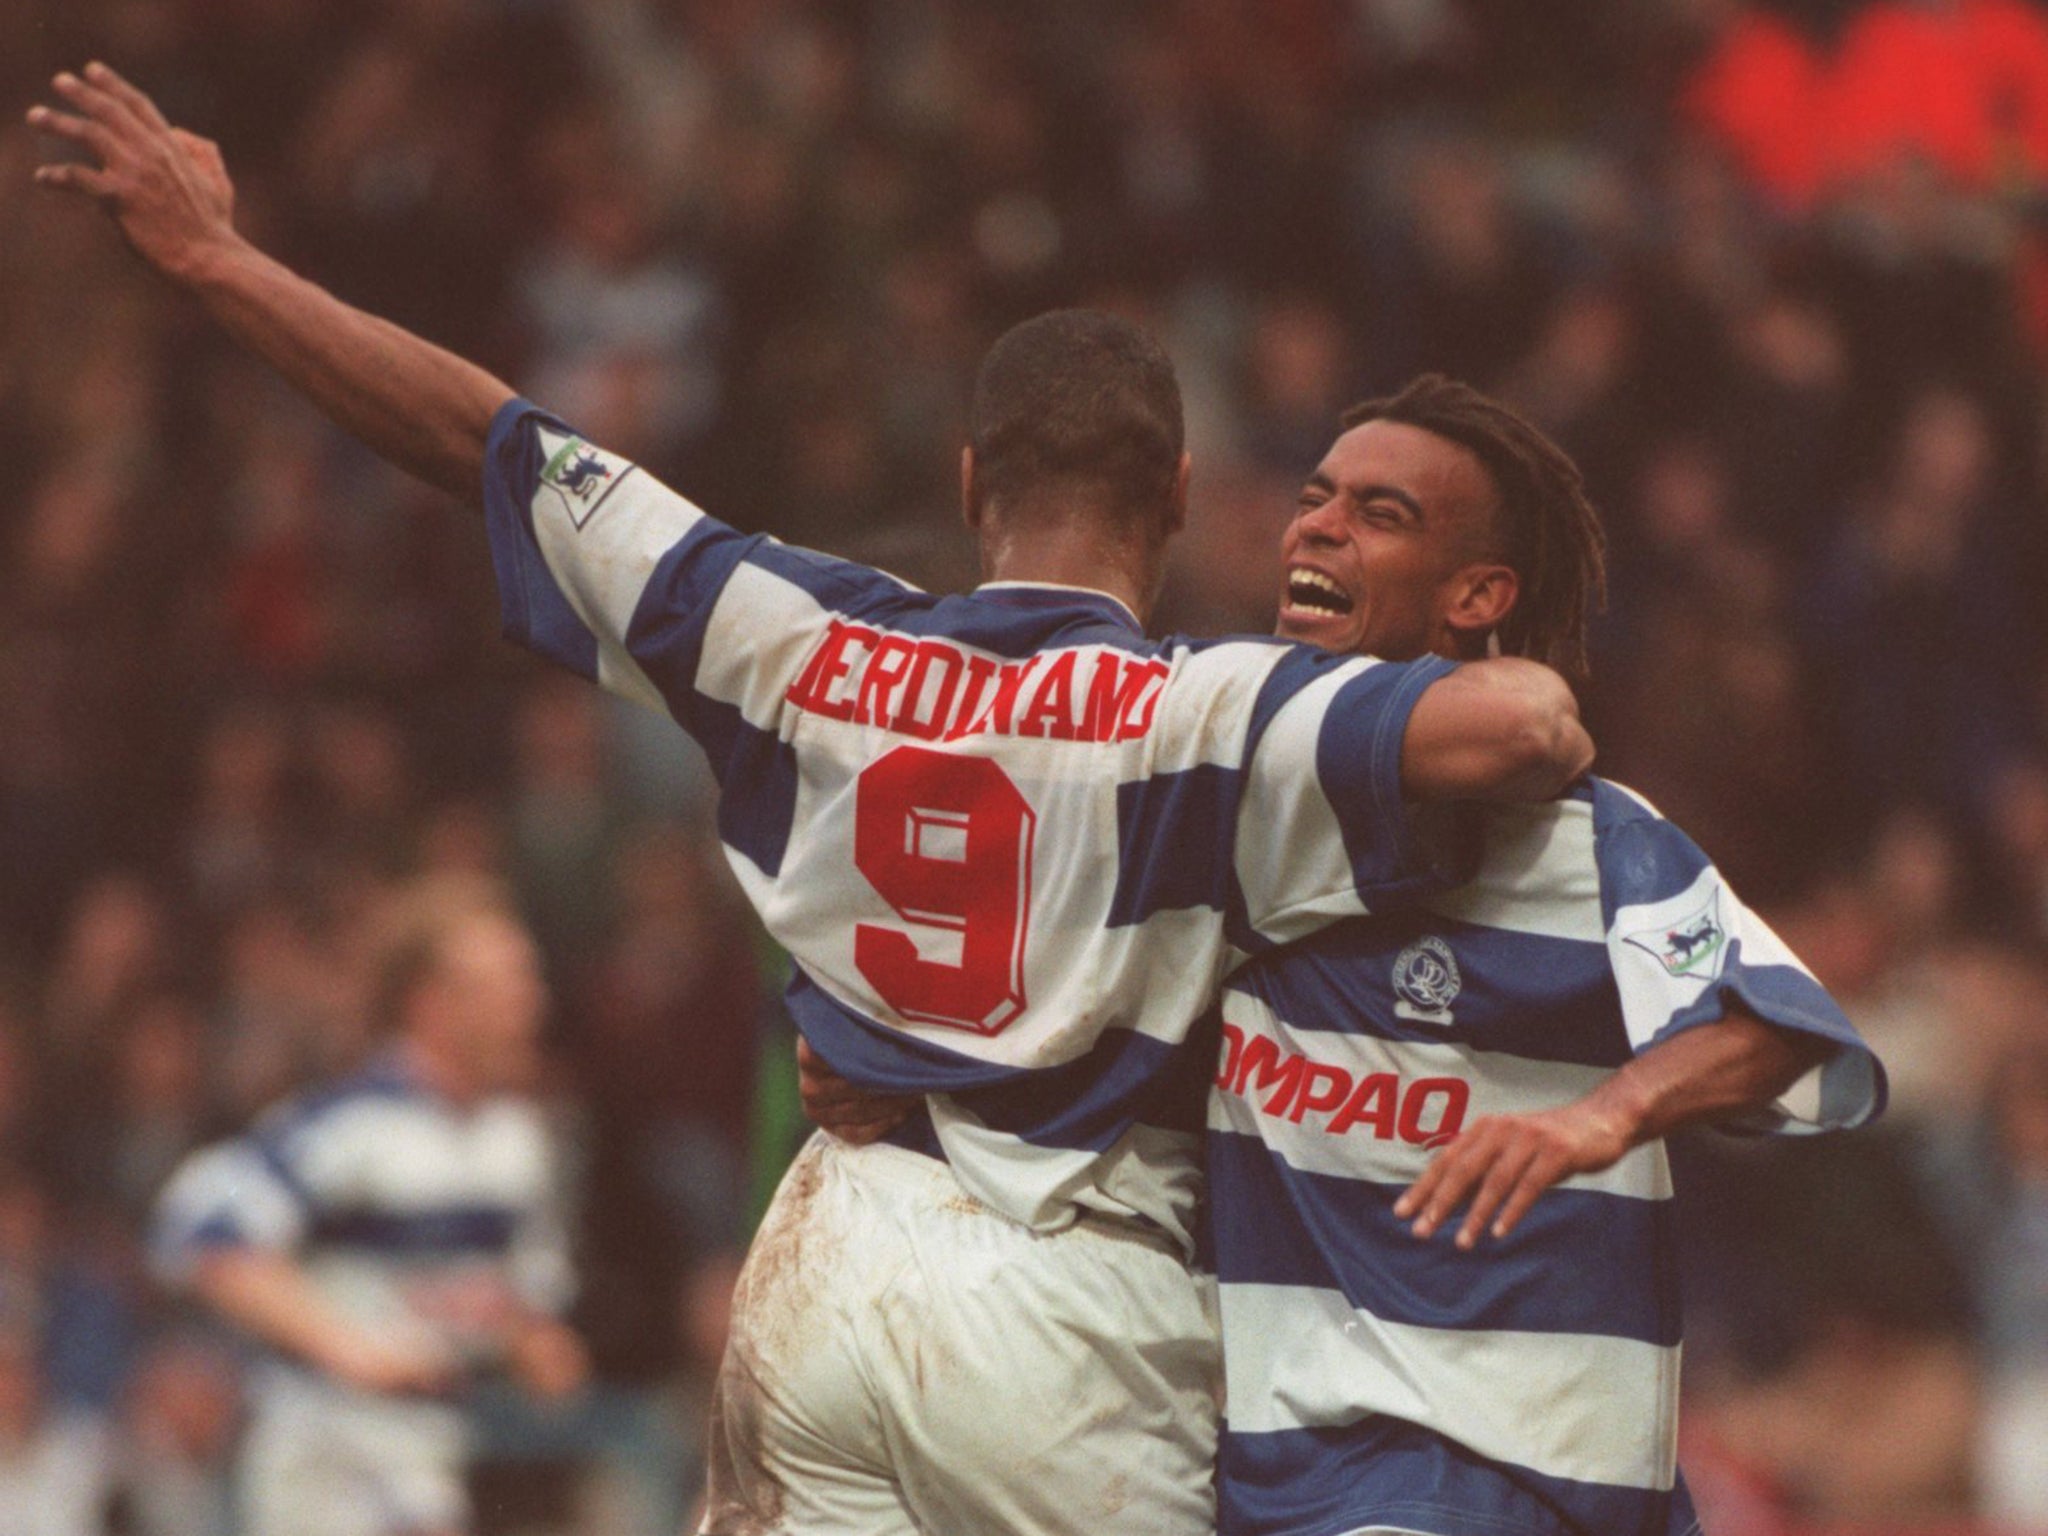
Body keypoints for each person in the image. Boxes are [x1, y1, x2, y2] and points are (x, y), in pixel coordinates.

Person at [33, 65, 1593, 1535]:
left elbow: (484, 437)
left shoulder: (795, 634)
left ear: (975, 480)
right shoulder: (1223, 705)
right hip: (1075, 1304)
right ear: (1178, 498)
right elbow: (1524, 732)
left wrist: (221, 263)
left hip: (827, 1268)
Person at [808, 377, 1887, 1536]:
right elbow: (1076, 1016)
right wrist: (915, 1061)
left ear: (1475, 593)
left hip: (1532, 1481)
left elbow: (1779, 1026)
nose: (1315, 525)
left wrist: (1603, 1117)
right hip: (1307, 1492)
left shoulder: (1593, 843)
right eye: (1315, 497)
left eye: (1379, 513)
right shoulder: (1216, 846)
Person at [152, 880, 588, 1536]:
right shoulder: (350, 1126)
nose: (529, 1003)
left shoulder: (520, 1142)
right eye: (503, 983)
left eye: (528, 981)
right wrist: (346, 1346)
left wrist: (531, 1340)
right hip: (327, 1455)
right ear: (431, 1001)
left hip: (442, 1450)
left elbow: (514, 1297)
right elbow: (202, 1226)